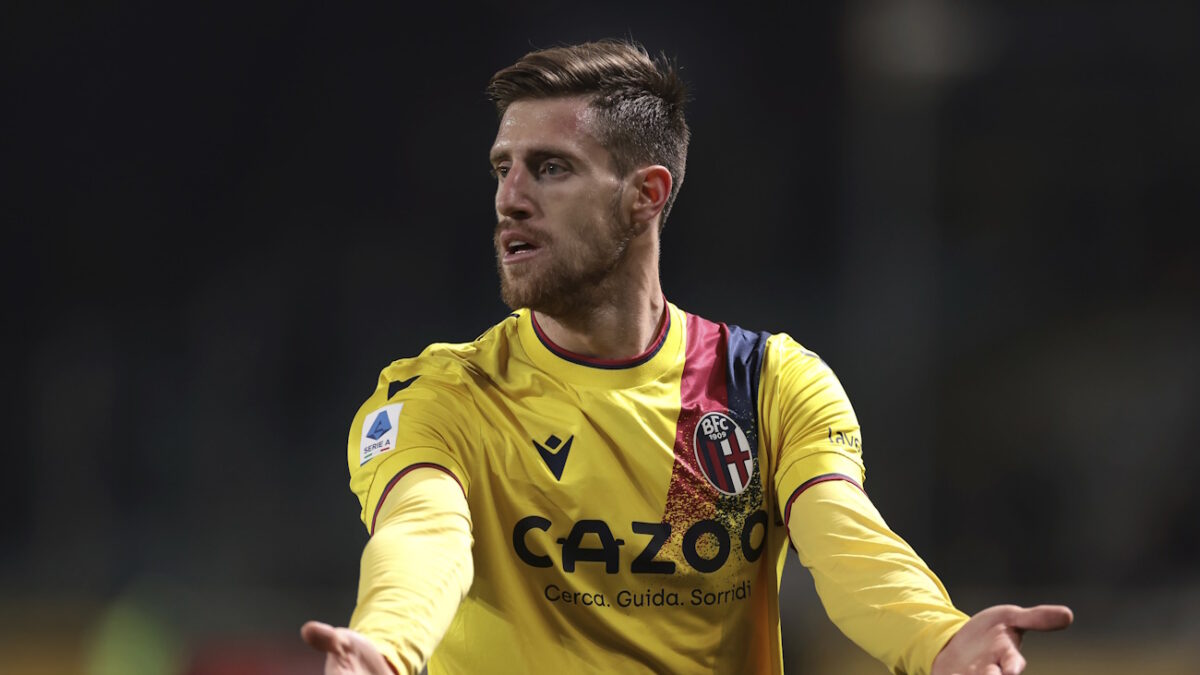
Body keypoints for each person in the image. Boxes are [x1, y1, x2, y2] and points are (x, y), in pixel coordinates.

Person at [301, 40, 1072, 675]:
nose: (510, 197)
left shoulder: (767, 385)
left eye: (551, 167)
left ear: (646, 194)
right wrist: (387, 647)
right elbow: (423, 533)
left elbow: (846, 543)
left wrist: (936, 637)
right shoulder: (444, 392)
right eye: (504, 167)